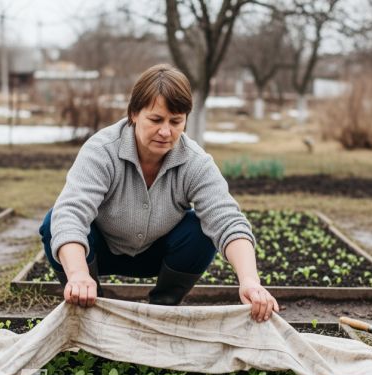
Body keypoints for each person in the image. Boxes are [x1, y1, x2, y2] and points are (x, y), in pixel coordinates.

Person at [39, 63, 278, 322]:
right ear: (134, 114)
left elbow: (227, 220)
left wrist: (250, 281)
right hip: (98, 252)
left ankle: (164, 307)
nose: (166, 132)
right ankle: (87, 302)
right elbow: (71, 212)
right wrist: (78, 275)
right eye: (155, 120)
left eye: (176, 121)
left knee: (201, 228)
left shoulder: (195, 162)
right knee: (54, 222)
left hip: (158, 254)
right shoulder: (102, 151)